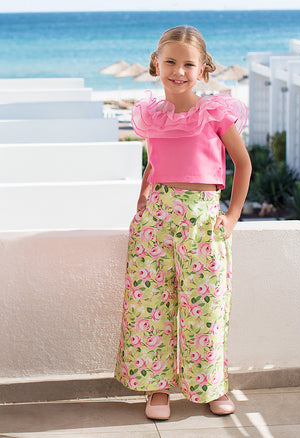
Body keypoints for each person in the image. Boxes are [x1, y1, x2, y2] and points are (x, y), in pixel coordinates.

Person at [114, 25, 252, 420]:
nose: (178, 70)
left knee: (205, 308)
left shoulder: (214, 112)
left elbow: (243, 165)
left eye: (188, 64)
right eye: (170, 61)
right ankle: (157, 390)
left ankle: (210, 385)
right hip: (154, 221)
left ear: (203, 68)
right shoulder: (150, 115)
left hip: (203, 221)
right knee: (149, 305)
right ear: (156, 64)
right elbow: (155, 163)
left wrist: (231, 216)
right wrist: (141, 200)